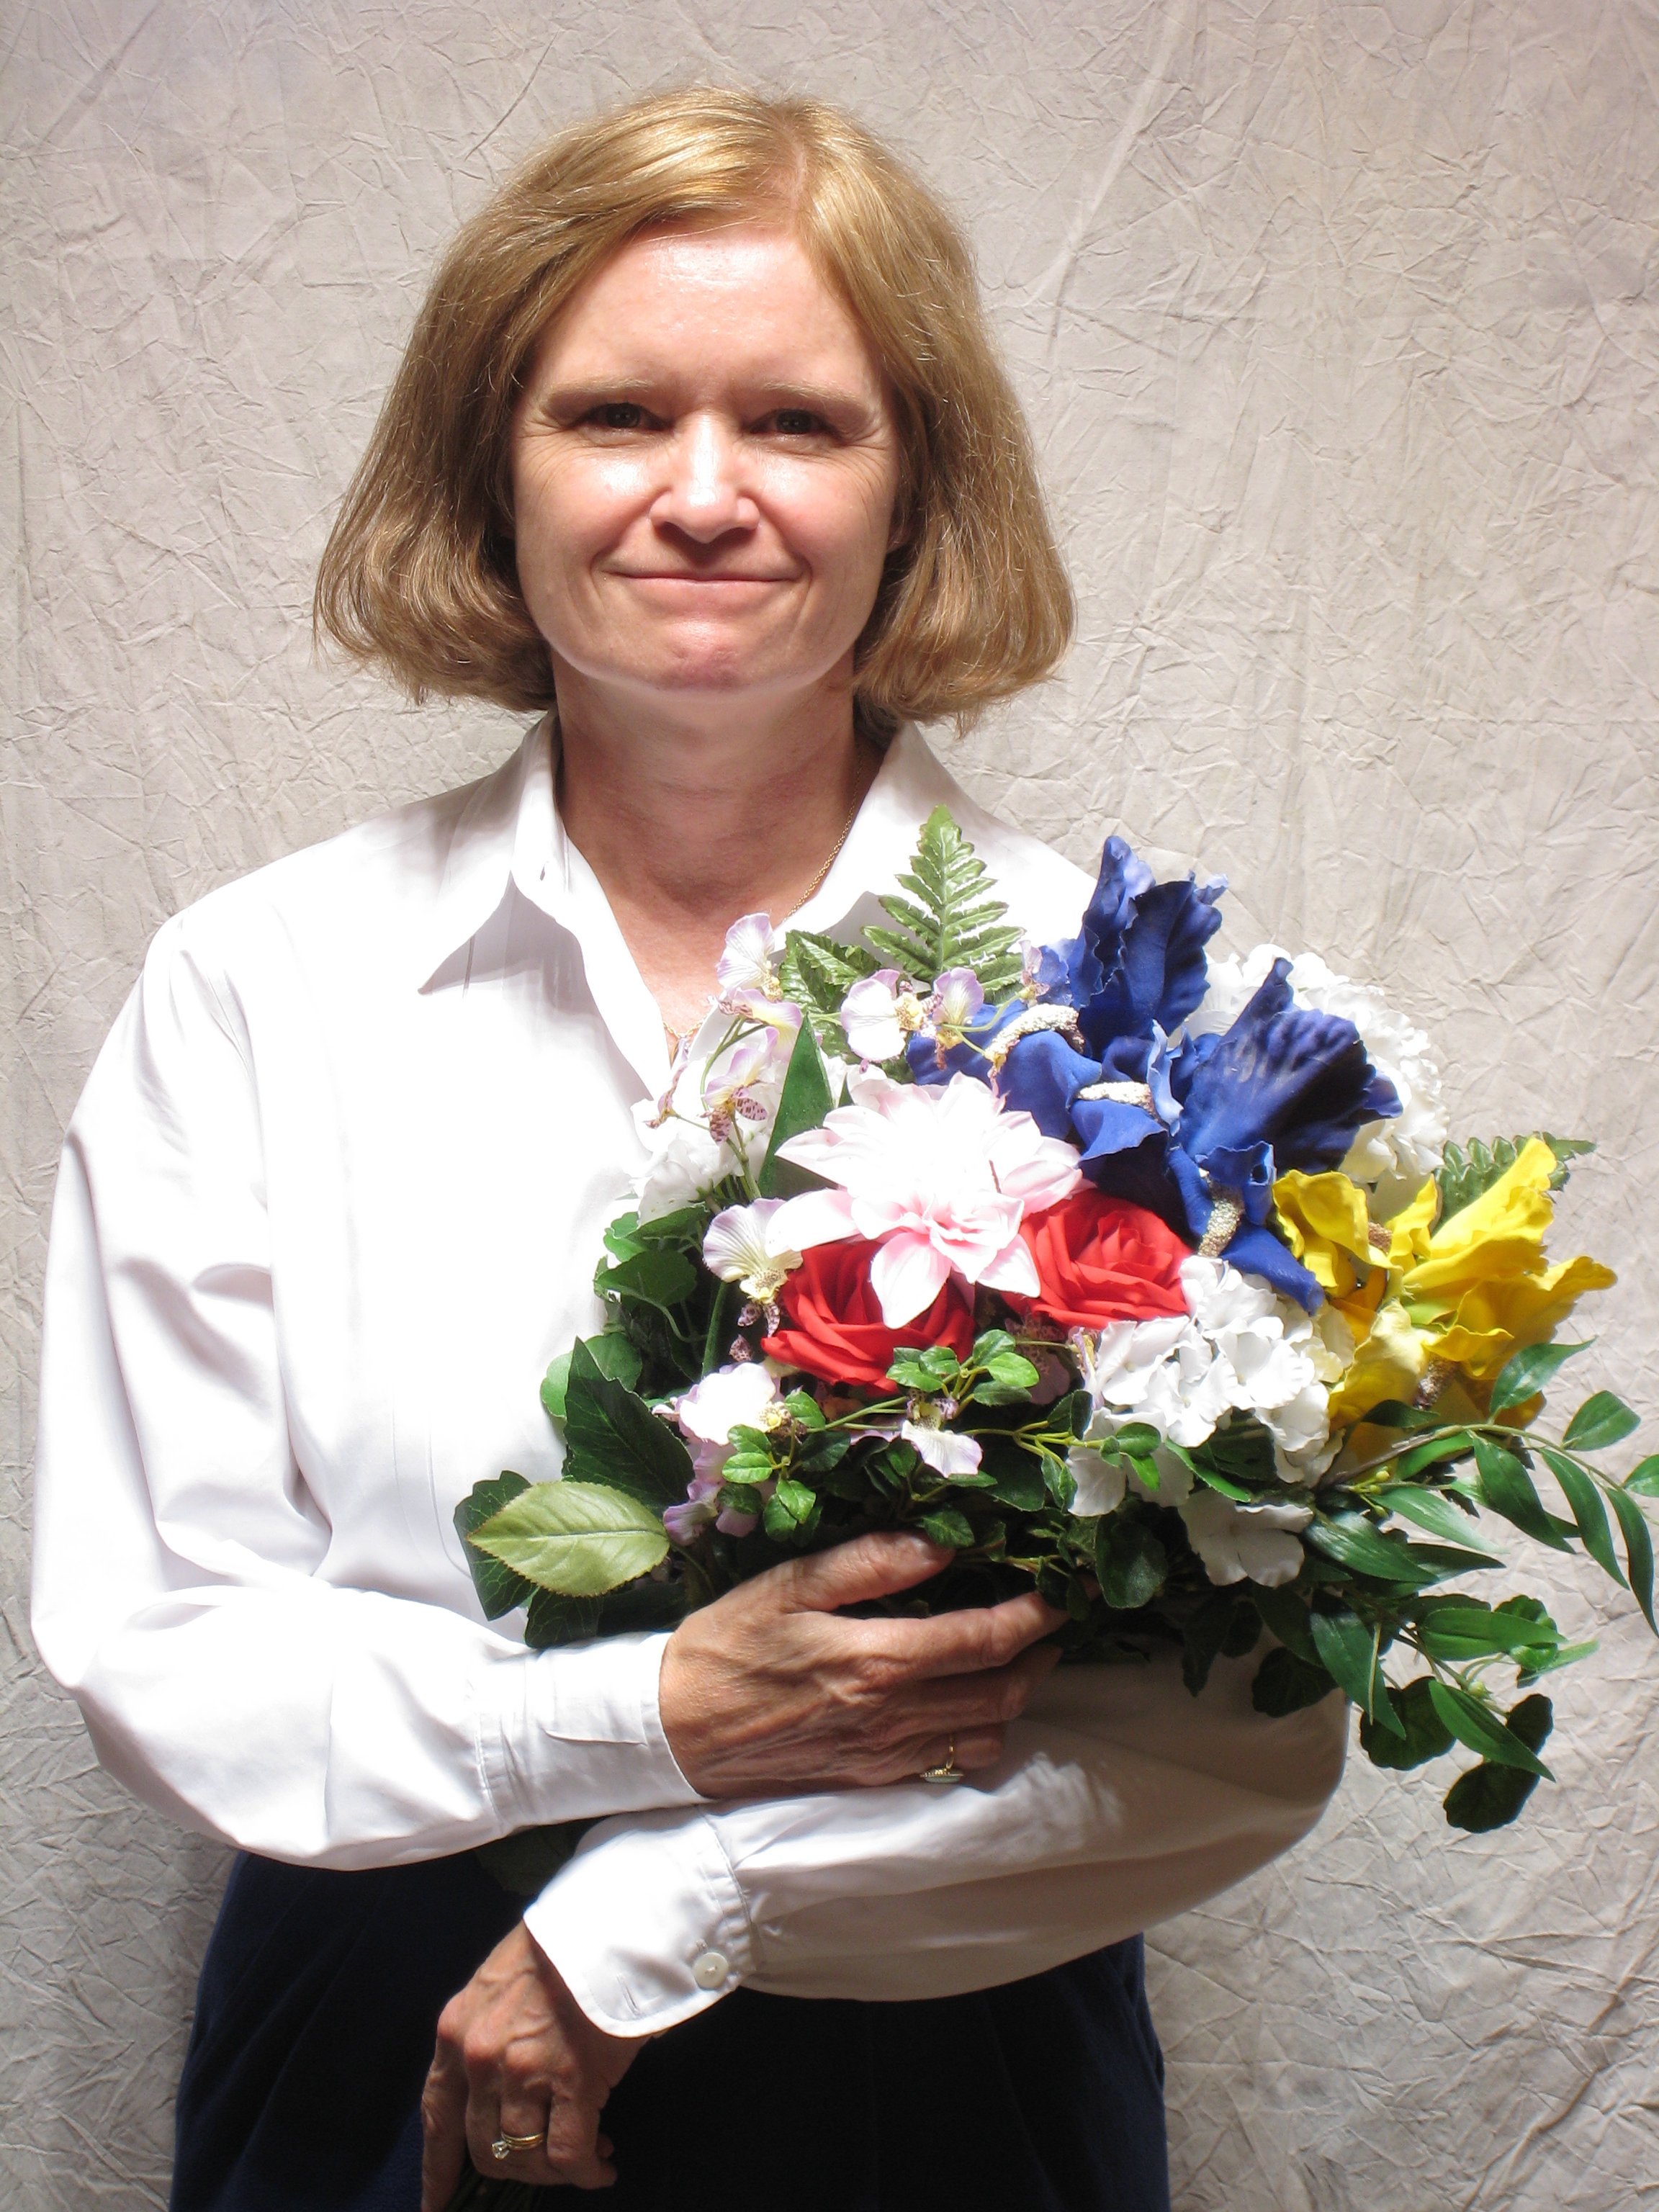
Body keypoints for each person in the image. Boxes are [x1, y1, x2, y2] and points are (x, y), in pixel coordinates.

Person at [31, 87, 1347, 2212]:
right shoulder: (260, 986)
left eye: (800, 424)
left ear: (918, 488)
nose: (707, 495)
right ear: (495, 469)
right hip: (382, 2038)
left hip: (953, 2065)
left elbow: (1243, 1724)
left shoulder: (1133, 1017)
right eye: (618, 414)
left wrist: (655, 1913)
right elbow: (167, 1632)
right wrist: (643, 1717)